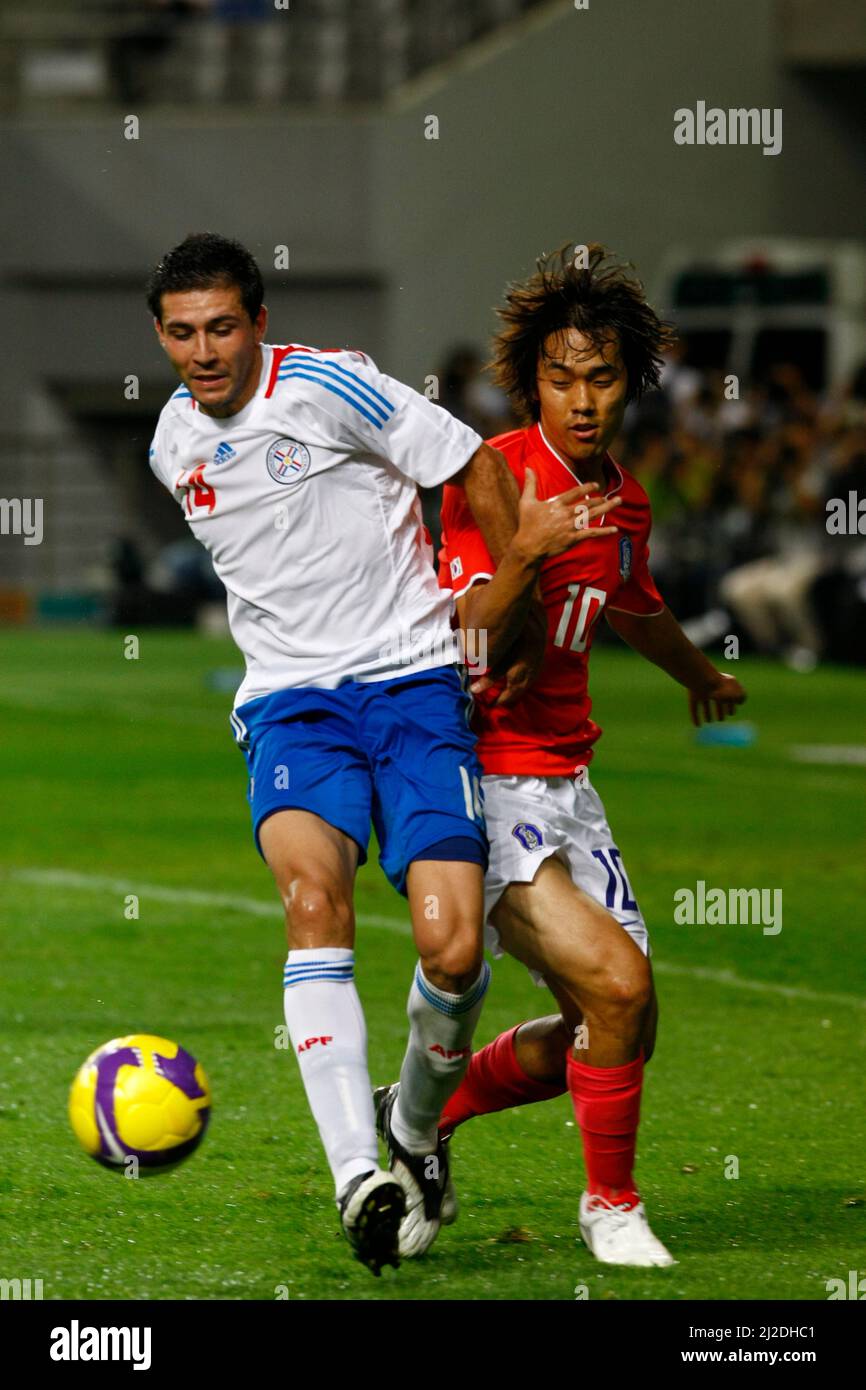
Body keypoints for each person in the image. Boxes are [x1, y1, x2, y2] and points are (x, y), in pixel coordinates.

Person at [144, 232, 585, 1276]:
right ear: (158, 336)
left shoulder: (333, 385)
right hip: (292, 708)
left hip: (414, 686)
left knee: (453, 949)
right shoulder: (170, 446)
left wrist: (501, 632)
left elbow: (470, 464)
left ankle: (413, 1130)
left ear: (256, 320)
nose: (201, 351)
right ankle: (358, 1179)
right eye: (178, 333)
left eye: (219, 327)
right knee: (312, 903)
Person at [378, 243, 748, 1267]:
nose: (578, 400)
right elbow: (469, 639)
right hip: (485, 777)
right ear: (528, 380)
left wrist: (695, 678)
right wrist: (527, 549)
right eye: (557, 378)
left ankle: (423, 1114)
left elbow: (631, 596)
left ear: (628, 381)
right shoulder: (493, 477)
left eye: (599, 378)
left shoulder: (620, 495)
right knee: (617, 987)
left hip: (569, 783)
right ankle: (610, 1207)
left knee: (617, 1025)